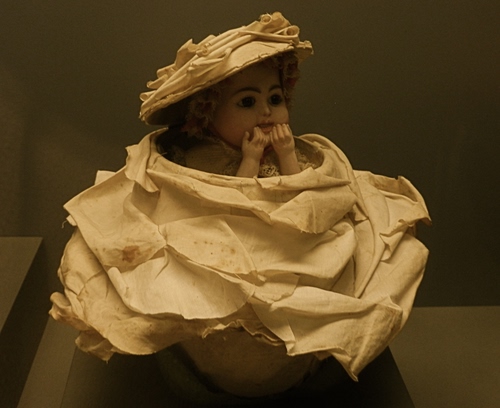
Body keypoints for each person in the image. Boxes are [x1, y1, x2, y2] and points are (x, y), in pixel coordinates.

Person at [50, 12, 430, 402]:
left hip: (295, 243)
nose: (266, 112)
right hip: (227, 244)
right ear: (208, 115)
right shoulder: (204, 158)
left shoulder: (288, 149)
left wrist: (286, 154)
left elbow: (303, 192)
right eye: (248, 102)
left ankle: (307, 352)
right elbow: (237, 198)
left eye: (275, 99)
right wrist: (250, 159)